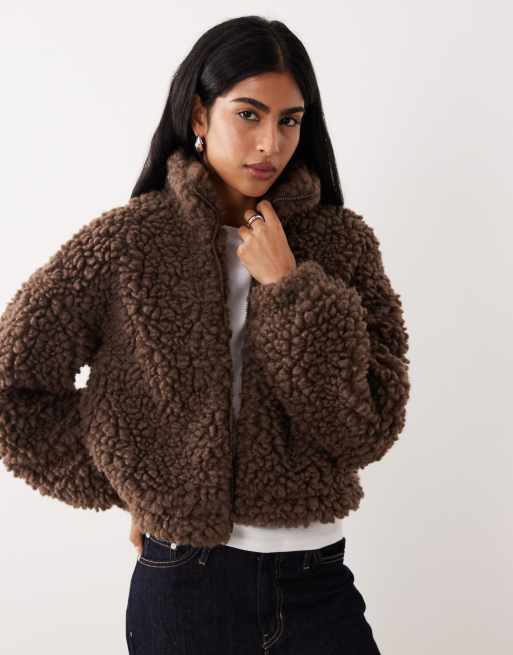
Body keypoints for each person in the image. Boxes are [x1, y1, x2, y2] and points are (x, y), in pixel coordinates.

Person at [0, 15, 411, 655]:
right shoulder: (130, 243)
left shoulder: (341, 245)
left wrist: (289, 288)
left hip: (317, 582)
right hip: (186, 586)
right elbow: (13, 381)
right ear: (199, 114)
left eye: (289, 120)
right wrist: (147, 482)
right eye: (248, 115)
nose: (270, 143)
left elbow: (368, 427)